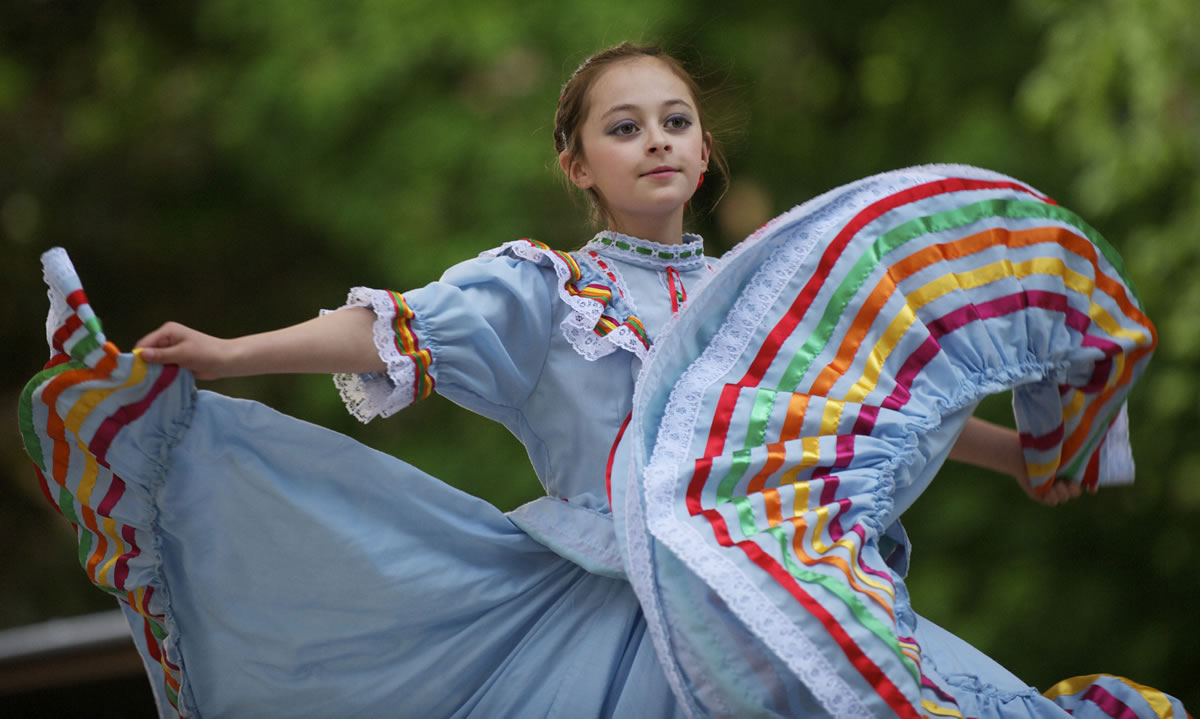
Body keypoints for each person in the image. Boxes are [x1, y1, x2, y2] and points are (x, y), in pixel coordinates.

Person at [20, 43, 1186, 718]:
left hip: (779, 601)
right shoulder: (540, 286)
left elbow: (867, 415)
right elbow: (389, 332)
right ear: (578, 163)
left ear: (706, 149)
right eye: (625, 128)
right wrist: (229, 355)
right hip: (608, 615)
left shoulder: (762, 296)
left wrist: (1026, 448)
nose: (660, 140)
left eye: (677, 120)